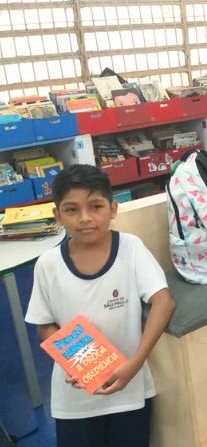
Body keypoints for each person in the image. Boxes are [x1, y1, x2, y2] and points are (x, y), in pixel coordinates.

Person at [24, 164, 176, 447]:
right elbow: (43, 325)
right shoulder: (48, 264)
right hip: (75, 400)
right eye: (71, 210)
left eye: (95, 206)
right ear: (57, 215)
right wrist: (76, 361)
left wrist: (135, 363)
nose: (85, 218)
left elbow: (163, 303)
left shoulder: (130, 248)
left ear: (113, 209)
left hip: (130, 392)